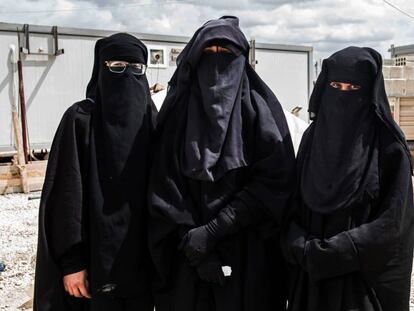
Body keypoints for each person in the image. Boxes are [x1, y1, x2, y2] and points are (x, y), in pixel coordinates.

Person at [148, 16, 296, 311]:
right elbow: (164, 181)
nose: (217, 63)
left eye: (226, 54)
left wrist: (217, 228)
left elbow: (276, 181)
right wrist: (196, 246)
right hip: (187, 252)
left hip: (248, 253)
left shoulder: (260, 111)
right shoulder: (177, 112)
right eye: (209, 53)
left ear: (242, 60)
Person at [284, 46, 414, 311]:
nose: (343, 94)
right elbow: (292, 199)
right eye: (335, 85)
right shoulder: (312, 139)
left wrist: (339, 250)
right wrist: (299, 243)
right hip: (312, 279)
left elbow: (394, 222)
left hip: (360, 283)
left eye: (353, 88)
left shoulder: (388, 147)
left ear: (369, 92)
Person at [34, 33, 155, 311]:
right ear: (101, 68)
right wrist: (72, 263)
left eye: (137, 69)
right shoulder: (81, 120)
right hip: (92, 267)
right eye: (117, 67)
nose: (127, 74)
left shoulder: (151, 120)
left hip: (142, 266)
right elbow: (66, 197)